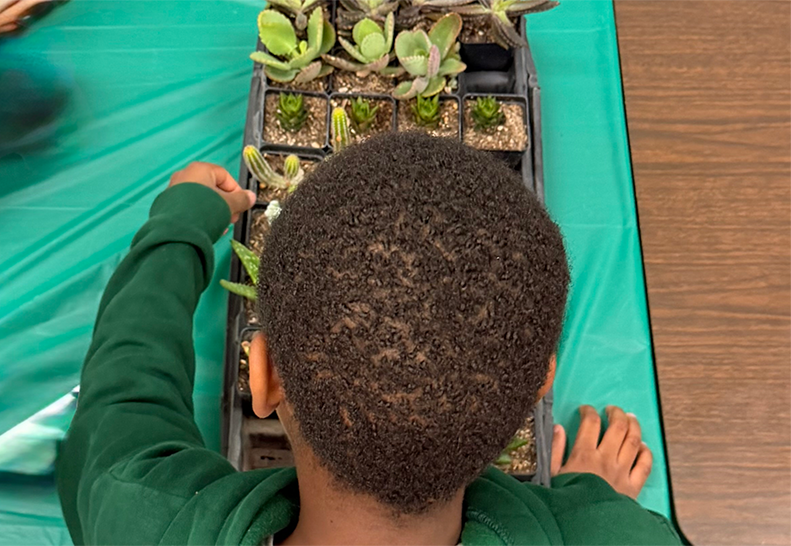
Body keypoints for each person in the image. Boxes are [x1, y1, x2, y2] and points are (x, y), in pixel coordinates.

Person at [56, 132, 681, 546]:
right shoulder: (617, 535)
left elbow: (123, 390)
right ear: (535, 392)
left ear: (264, 375)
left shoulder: (136, 513)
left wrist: (181, 221)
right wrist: (589, 503)